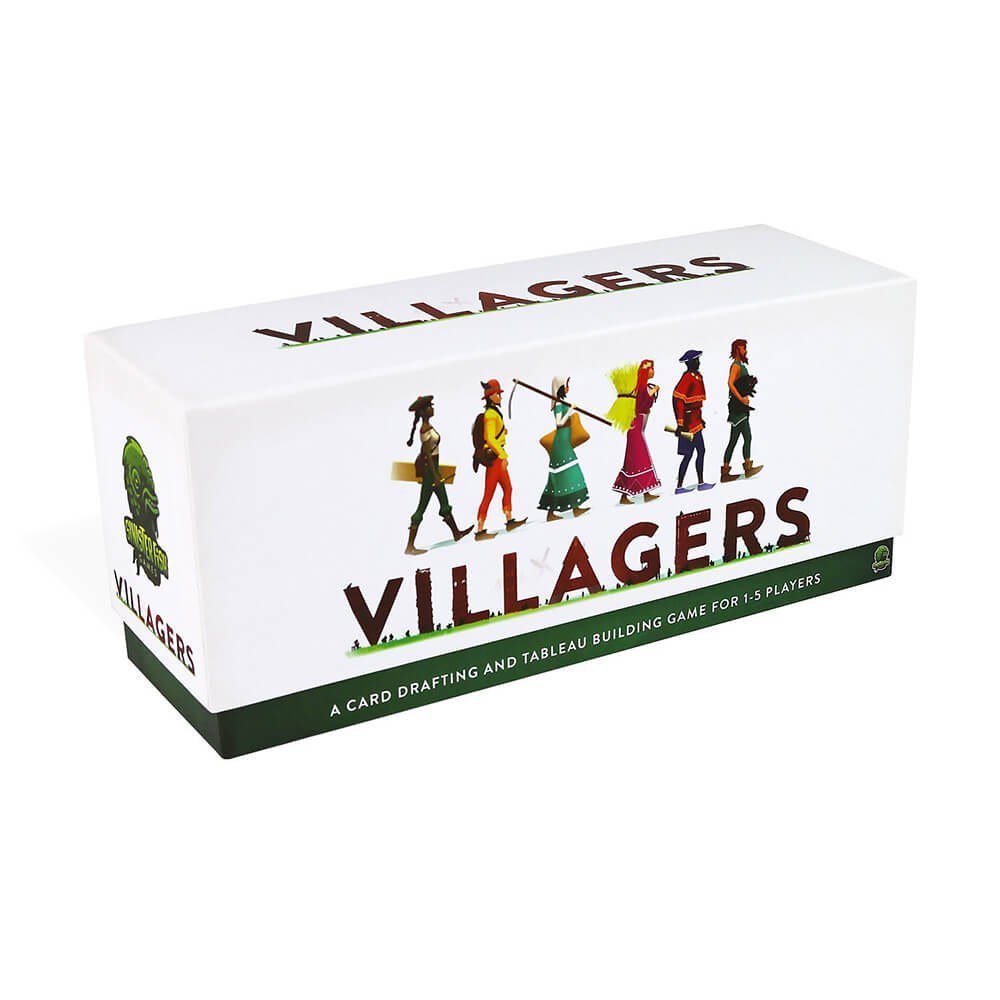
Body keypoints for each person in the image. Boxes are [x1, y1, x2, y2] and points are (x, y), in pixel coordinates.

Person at [404, 395, 473, 555]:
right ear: (423, 411)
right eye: (429, 406)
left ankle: (456, 533)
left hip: (434, 469)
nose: (432, 408)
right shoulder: (425, 430)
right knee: (421, 508)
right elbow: (427, 454)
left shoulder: (428, 427)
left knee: (444, 503)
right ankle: (409, 546)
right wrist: (434, 475)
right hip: (431, 471)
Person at [474, 379, 527, 540]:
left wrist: (503, 432)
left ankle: (509, 520)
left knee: (508, 488)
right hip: (495, 458)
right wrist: (503, 456)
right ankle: (480, 530)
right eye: (497, 394)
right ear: (490, 397)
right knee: (488, 494)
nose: (500, 397)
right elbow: (490, 438)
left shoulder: (494, 413)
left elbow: (495, 433)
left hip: (498, 456)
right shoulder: (490, 415)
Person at [607, 359, 661, 504]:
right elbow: (642, 404)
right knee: (641, 459)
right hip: (635, 428)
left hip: (637, 427)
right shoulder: (641, 387)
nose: (653, 371)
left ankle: (629, 495)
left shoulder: (641, 387)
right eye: (652, 369)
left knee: (633, 462)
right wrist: (653, 391)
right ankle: (642, 494)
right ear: (646, 371)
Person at [538, 376, 590, 520]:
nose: (568, 387)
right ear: (561, 387)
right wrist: (570, 410)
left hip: (564, 440)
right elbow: (560, 422)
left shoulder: (561, 403)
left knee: (562, 475)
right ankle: (569, 510)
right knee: (568, 473)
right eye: (566, 385)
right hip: (561, 442)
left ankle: (572, 509)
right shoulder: (559, 405)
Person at [672, 349, 714, 493]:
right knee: (691, 454)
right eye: (696, 360)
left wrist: (700, 419)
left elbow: (696, 404)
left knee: (698, 452)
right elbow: (678, 400)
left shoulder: (696, 376)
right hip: (688, 424)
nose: (699, 363)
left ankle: (697, 483)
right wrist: (680, 423)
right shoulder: (688, 377)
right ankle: (681, 486)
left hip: (696, 421)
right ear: (690, 363)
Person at [721, 339, 763, 482]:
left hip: (741, 408)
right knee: (747, 437)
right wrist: (741, 399)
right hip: (737, 408)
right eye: (743, 348)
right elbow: (730, 383)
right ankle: (747, 468)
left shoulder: (741, 365)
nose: (745, 351)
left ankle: (726, 472)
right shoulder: (735, 366)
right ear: (737, 350)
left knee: (733, 440)